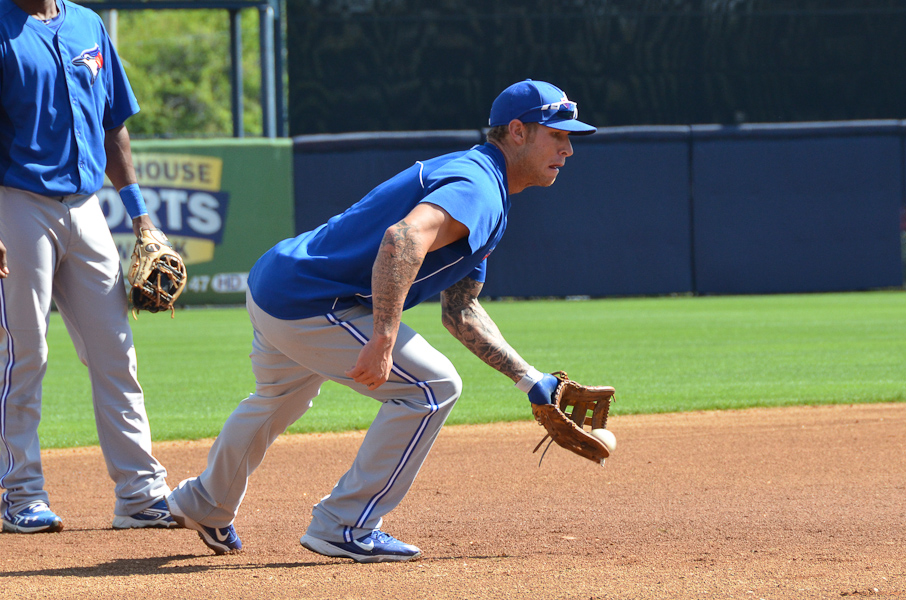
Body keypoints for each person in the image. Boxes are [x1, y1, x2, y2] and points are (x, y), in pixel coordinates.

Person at [166, 79, 596, 561]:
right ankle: (343, 524)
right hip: (314, 300)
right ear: (517, 131)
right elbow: (402, 240)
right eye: (556, 134)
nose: (568, 148)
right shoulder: (479, 186)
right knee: (433, 387)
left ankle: (204, 501)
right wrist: (383, 338)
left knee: (280, 396)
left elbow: (461, 311)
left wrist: (528, 379)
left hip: (278, 282)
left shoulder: (482, 181)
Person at [0, 0, 174, 532]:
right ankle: (19, 493)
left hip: (86, 207)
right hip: (17, 202)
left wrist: (143, 219)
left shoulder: (88, 24)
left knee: (116, 352)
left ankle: (141, 494)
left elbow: (112, 124)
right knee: (23, 354)